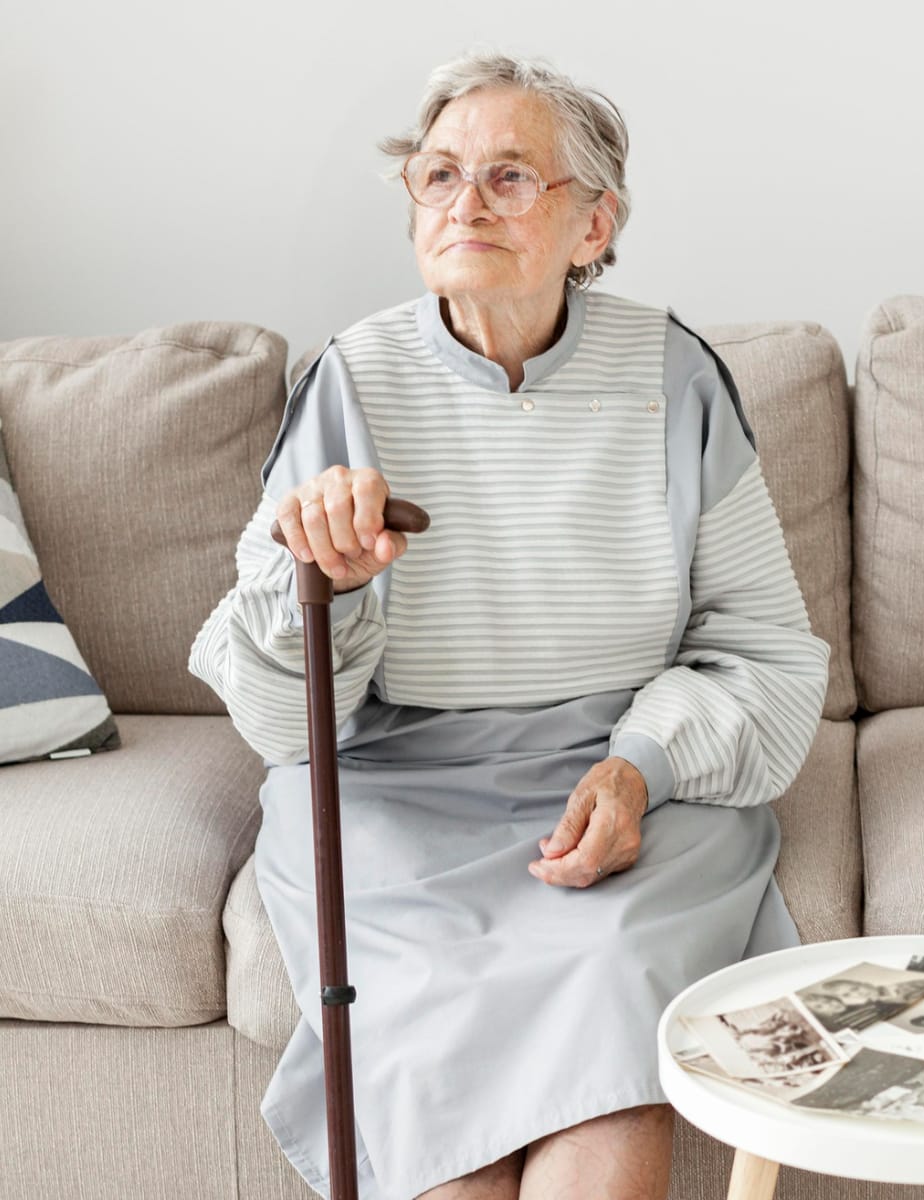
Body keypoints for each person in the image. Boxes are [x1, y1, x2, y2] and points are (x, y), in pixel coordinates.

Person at [189, 51, 829, 1200]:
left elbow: (761, 651)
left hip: (619, 778)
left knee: (612, 1010)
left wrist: (640, 769)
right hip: (394, 790)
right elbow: (282, 723)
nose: (463, 204)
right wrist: (315, 589)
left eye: (507, 177)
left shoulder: (673, 377)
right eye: (437, 177)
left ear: (595, 223)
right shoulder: (351, 380)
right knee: (440, 1073)